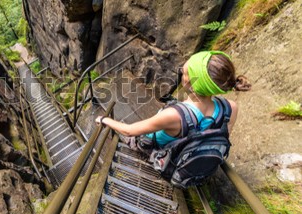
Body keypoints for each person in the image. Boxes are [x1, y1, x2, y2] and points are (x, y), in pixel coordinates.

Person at [95, 51, 251, 152]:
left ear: (190, 82)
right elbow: (219, 136)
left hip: (158, 148)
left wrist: (105, 119)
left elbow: (129, 130)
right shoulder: (230, 108)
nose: (181, 74)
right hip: (190, 149)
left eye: (183, 73)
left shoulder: (174, 115)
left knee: (129, 136)